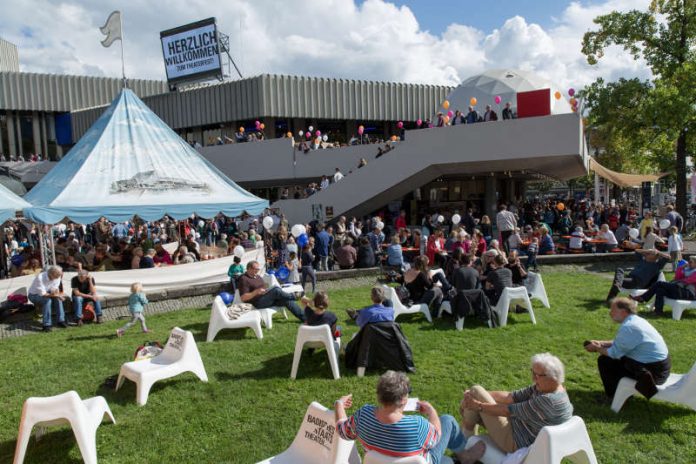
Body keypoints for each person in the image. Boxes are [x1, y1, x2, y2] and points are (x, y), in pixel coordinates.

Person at [336, 371, 486, 464]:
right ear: (403, 400)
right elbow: (436, 436)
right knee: (447, 420)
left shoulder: (363, 416)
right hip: (423, 462)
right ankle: (465, 457)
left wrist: (339, 405)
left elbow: (342, 430)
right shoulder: (418, 426)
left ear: (379, 396)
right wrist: (431, 412)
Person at [460, 353, 573, 454]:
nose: (533, 378)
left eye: (537, 375)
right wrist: (479, 395)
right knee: (475, 394)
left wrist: (477, 405)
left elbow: (507, 410)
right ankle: (466, 441)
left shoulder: (548, 401)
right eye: (532, 373)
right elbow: (511, 397)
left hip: (518, 442)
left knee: (475, 391)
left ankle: (464, 445)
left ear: (552, 378)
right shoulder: (552, 389)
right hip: (521, 428)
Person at [584, 297, 670, 399]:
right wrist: (601, 343)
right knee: (611, 360)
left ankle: (614, 396)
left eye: (613, 310)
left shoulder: (629, 327)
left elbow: (614, 353)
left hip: (654, 374)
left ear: (624, 312)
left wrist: (596, 348)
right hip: (658, 367)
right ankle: (621, 393)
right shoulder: (636, 320)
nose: (610, 313)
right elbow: (622, 343)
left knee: (605, 361)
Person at [238, 260, 304, 321]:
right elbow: (243, 298)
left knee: (287, 300)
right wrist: (256, 292)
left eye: (258, 269)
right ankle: (294, 296)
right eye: (256, 269)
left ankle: (305, 318)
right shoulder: (244, 279)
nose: (258, 271)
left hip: (266, 298)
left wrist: (266, 289)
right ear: (249, 268)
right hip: (257, 303)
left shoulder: (257, 276)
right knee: (276, 290)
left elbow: (263, 286)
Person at [28, 265, 67, 332]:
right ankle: (46, 325)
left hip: (47, 292)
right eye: (56, 276)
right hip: (34, 295)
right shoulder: (40, 278)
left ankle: (61, 320)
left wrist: (57, 294)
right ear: (51, 273)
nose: (57, 278)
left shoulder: (57, 276)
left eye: (58, 276)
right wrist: (57, 296)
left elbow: (55, 288)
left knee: (58, 299)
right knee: (47, 300)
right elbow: (43, 294)